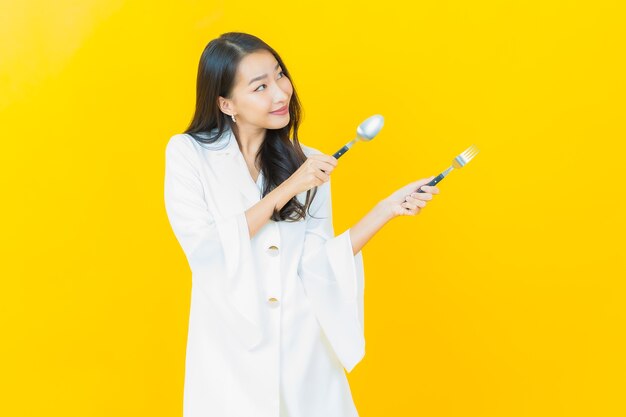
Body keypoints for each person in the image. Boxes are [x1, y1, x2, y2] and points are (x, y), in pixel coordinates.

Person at [164, 32, 440, 417]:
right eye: (260, 87)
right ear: (227, 103)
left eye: (280, 76)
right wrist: (290, 186)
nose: (280, 94)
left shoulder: (306, 160)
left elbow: (316, 264)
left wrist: (385, 210)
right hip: (231, 351)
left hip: (304, 348)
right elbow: (206, 250)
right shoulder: (189, 154)